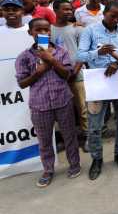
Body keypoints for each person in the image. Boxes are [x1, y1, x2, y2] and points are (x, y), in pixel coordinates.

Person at [15, 18, 81, 187]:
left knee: (69, 135)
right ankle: (48, 170)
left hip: (63, 101)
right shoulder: (24, 57)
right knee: (44, 140)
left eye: (46, 30)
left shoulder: (60, 52)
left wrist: (51, 60)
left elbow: (68, 75)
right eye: (38, 30)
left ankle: (74, 164)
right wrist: (38, 72)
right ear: (30, 33)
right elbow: (22, 83)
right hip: (40, 105)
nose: (43, 33)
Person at [77, 0, 118, 180]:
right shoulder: (90, 31)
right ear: (104, 13)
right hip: (98, 84)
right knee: (95, 125)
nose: (116, 19)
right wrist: (98, 53)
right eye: (112, 16)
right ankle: (97, 159)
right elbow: (79, 55)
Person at [50, 0, 88, 148]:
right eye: (65, 9)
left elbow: (83, 52)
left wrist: (75, 71)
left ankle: (87, 138)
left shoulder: (78, 29)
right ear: (55, 10)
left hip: (76, 75)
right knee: (63, 111)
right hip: (57, 76)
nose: (68, 12)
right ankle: (69, 140)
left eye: (70, 10)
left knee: (82, 108)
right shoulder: (48, 30)